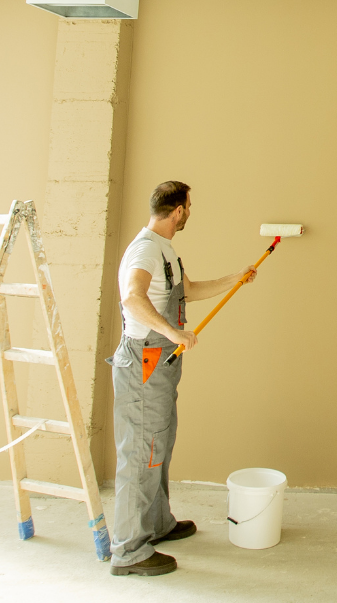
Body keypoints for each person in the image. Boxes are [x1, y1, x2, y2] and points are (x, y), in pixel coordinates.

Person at [108, 181, 259, 577]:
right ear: (178, 210)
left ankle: (156, 525)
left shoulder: (165, 250)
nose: (189, 212)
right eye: (188, 206)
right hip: (146, 360)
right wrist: (175, 334)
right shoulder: (144, 249)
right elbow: (132, 297)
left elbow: (187, 291)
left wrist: (235, 278)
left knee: (159, 443)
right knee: (142, 453)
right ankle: (128, 551)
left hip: (161, 364)